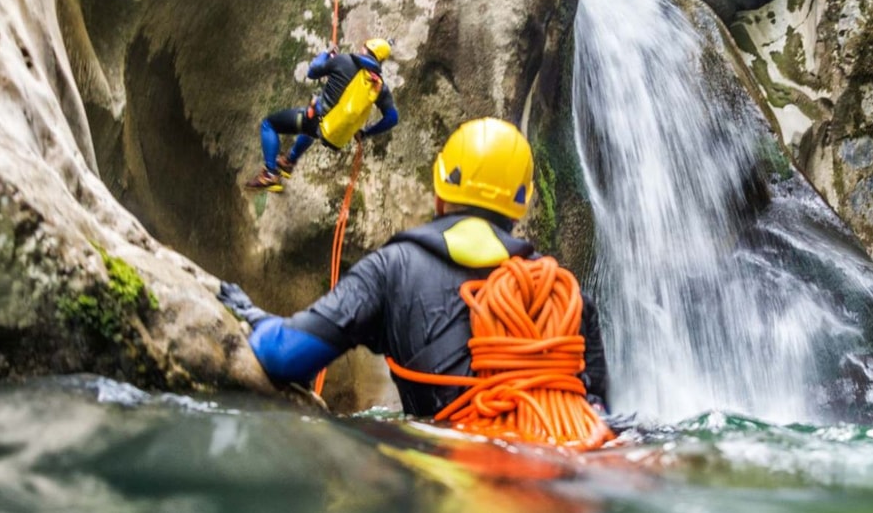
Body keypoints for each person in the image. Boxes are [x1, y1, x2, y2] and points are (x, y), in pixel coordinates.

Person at [220, 117, 609, 415]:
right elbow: (598, 413)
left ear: (440, 189)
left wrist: (255, 316)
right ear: (521, 205)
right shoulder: (566, 294)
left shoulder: (393, 269)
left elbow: (286, 355)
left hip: (448, 479)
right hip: (559, 480)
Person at [245, 38, 400, 192]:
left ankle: (270, 174)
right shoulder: (378, 86)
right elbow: (392, 118)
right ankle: (289, 161)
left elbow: (312, 71)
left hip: (315, 120)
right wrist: (365, 133)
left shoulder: (344, 61)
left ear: (367, 49)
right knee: (312, 129)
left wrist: (326, 54)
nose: (361, 48)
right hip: (332, 133)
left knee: (269, 124)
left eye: (364, 46)